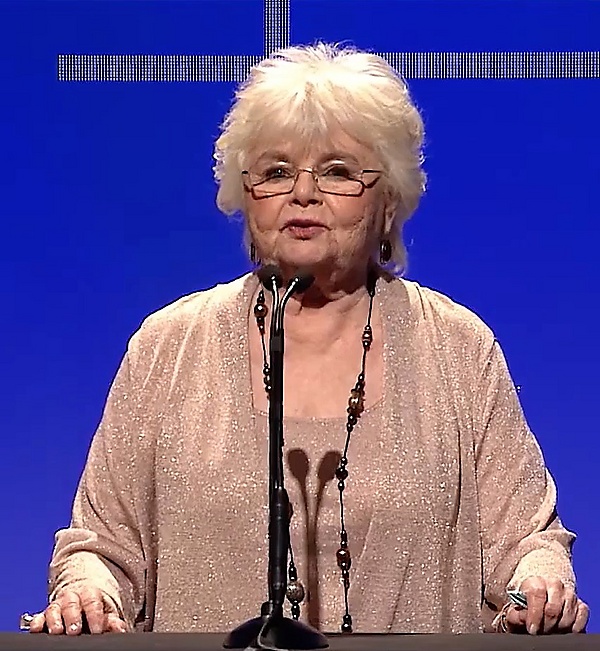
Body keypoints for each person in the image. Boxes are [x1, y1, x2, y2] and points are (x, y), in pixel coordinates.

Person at [28, 42, 588, 637]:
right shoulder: (167, 348)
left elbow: (528, 542)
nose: (303, 193)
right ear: (244, 197)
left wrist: (538, 584)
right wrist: (87, 591)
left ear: (389, 200)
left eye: (338, 172)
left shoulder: (457, 350)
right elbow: (101, 547)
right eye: (276, 172)